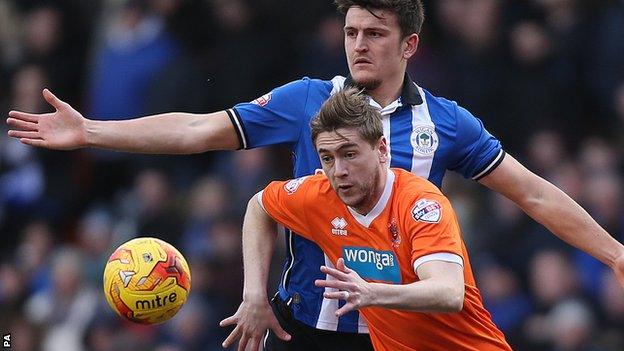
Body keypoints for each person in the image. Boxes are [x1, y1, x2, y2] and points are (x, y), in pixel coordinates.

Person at [5, 0, 624, 350]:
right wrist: (92, 131)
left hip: (401, 334)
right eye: (352, 31)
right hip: (304, 325)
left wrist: (615, 255)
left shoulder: (446, 123)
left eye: (375, 34)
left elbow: (535, 194)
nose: (358, 45)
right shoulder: (308, 100)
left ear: (409, 45)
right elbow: (201, 130)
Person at [222, 87, 512, 351]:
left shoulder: (421, 204)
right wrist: (254, 295)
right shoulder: (319, 196)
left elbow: (449, 292)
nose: (339, 170)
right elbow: (258, 207)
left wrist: (371, 292)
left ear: (382, 150)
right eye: (327, 157)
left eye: (349, 154)